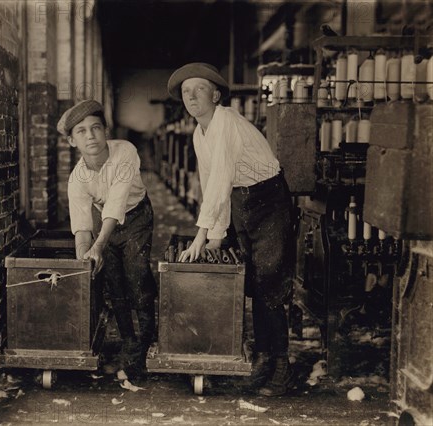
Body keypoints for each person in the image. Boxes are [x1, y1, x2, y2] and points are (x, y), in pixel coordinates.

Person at [167, 63, 295, 396]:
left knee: (270, 285)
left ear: (216, 94)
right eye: (186, 92)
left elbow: (220, 180)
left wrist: (202, 237)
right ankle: (264, 360)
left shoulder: (226, 122)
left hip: (269, 200)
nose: (192, 97)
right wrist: (215, 235)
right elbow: (209, 185)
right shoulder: (199, 132)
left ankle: (282, 369)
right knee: (253, 283)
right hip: (243, 201)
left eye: (199, 89)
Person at [58, 99, 157, 379]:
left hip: (137, 216)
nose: (90, 136)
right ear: (71, 141)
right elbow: (80, 225)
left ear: (105, 131)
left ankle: (146, 340)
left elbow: (116, 203)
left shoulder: (125, 151)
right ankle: (129, 340)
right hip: (107, 226)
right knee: (114, 280)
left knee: (137, 275)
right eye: (81, 131)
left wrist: (98, 245)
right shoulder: (77, 179)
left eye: (96, 128)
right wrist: (84, 258)